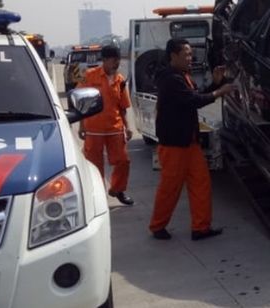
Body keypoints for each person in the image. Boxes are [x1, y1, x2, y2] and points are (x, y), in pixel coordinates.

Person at [148, 38, 236, 241]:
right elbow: (192, 100)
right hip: (173, 145)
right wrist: (218, 92)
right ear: (173, 56)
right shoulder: (170, 79)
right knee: (170, 188)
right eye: (186, 54)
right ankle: (158, 226)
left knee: (201, 183)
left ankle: (201, 227)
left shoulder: (182, 76)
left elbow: (194, 95)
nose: (190, 58)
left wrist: (214, 84)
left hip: (189, 142)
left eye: (190, 54)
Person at [78, 45, 134, 205]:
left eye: (118, 60)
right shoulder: (88, 75)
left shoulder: (120, 80)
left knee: (123, 161)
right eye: (113, 60)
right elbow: (80, 102)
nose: (116, 63)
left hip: (114, 128)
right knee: (95, 166)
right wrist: (82, 126)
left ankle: (118, 190)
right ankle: (98, 197)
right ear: (104, 60)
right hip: (93, 130)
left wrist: (127, 126)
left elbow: (122, 106)